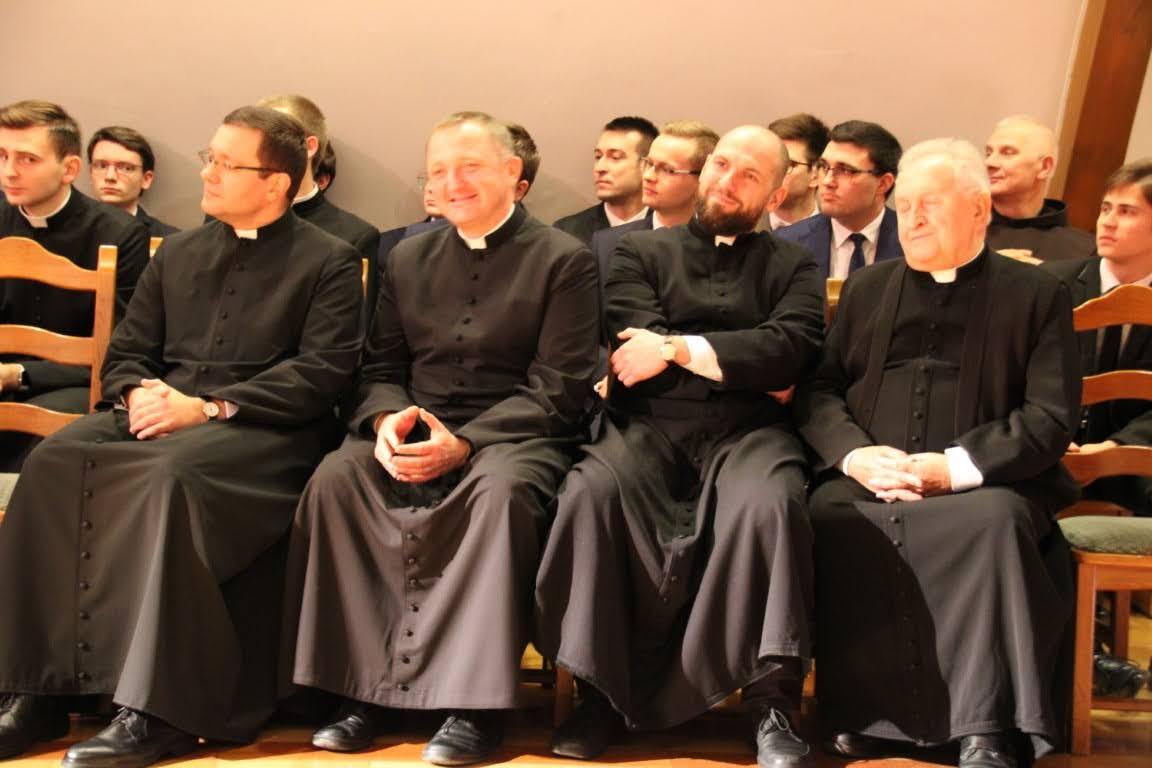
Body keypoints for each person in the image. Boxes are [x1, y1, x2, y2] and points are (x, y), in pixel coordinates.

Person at [0, 105, 363, 767]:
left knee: (170, 476)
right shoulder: (179, 253)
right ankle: (38, 691)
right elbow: (127, 352)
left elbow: (321, 373)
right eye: (209, 157)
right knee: (52, 459)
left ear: (276, 184)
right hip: (161, 411)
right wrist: (137, 393)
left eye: (227, 163)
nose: (208, 173)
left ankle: (158, 712)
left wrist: (210, 407)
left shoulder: (330, 261)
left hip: (264, 432)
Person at [282, 111, 599, 766]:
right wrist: (385, 422)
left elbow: (559, 387)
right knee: (337, 481)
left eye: (470, 167)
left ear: (512, 172)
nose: (453, 183)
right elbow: (378, 369)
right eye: (439, 172)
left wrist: (466, 443)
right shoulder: (406, 256)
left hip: (516, 432)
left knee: (499, 495)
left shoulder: (565, 259)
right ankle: (358, 693)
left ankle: (475, 706)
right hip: (414, 421)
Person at [536, 125, 824, 767]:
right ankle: (597, 696)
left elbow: (792, 350)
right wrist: (740, 361)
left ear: (777, 194)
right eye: (721, 165)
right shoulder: (637, 253)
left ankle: (771, 704)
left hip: (749, 432)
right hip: (647, 424)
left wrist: (675, 348)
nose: (727, 181)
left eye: (749, 175)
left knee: (773, 503)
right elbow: (631, 350)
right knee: (592, 492)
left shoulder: (796, 265)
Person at [795, 138, 1079, 768]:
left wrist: (954, 469)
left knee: (993, 522)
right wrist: (855, 458)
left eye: (931, 204)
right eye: (905, 207)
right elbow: (820, 390)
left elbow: (1050, 415)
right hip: (873, 476)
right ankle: (866, 714)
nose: (913, 219)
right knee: (832, 513)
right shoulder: (867, 288)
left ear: (979, 209)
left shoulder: (1038, 294)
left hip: (989, 482)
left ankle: (987, 728)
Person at [0, 101, 150, 471]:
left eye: (27, 159)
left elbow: (120, 349)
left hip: (75, 383)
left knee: (39, 436)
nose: (9, 172)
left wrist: (18, 374)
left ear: (69, 169)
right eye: (2, 156)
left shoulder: (119, 234)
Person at [776, 120, 903, 279]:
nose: (827, 181)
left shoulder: (913, 241)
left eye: (845, 170)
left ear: (883, 184)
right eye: (824, 167)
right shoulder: (786, 245)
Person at [985, 115, 1094, 262]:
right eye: (988, 153)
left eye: (1007, 153)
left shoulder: (1084, 251)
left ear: (1045, 167)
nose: (989, 162)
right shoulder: (958, 227)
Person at [553, 116, 658, 245]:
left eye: (615, 157)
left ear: (647, 165)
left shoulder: (667, 229)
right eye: (598, 157)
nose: (600, 168)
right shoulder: (567, 233)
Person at [87, 126, 178, 236]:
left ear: (146, 179)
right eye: (102, 166)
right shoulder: (70, 230)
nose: (110, 176)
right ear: (90, 172)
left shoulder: (169, 239)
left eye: (126, 168)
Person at [766, 113, 829, 230]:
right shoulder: (742, 228)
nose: (771, 172)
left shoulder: (836, 231)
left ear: (816, 176)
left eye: (788, 164)